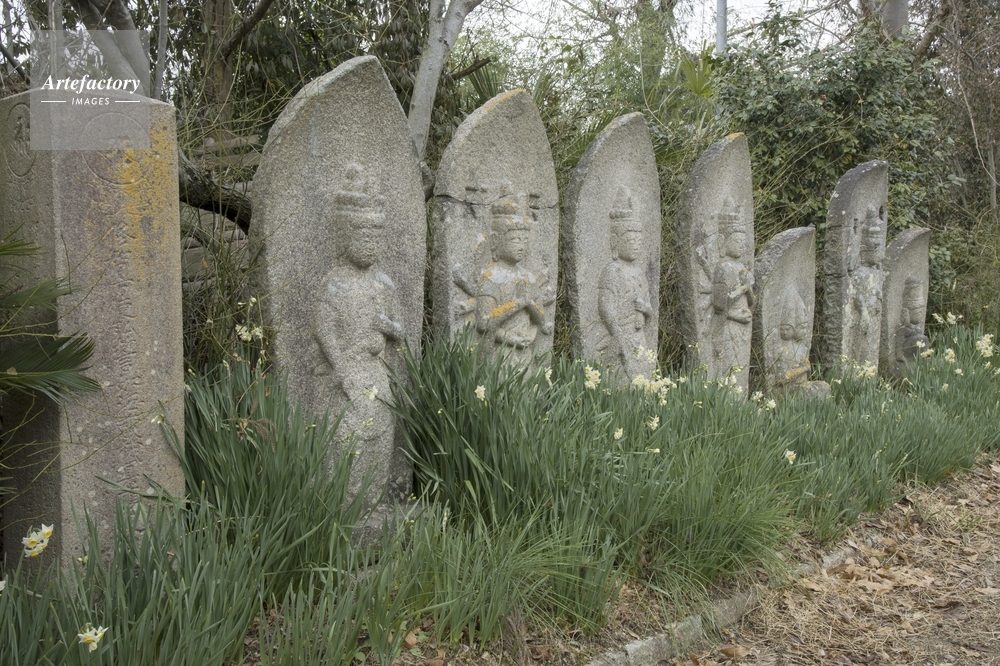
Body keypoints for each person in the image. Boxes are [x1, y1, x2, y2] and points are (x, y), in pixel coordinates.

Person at [315, 164, 403, 501]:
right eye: (363, 236)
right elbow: (323, 330)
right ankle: (346, 499)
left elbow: (400, 332)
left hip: (377, 374)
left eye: (376, 237)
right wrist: (342, 368)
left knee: (381, 433)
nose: (370, 244)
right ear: (345, 236)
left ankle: (375, 498)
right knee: (346, 436)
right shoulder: (335, 283)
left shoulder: (384, 284)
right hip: (348, 375)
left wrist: (387, 327)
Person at [473, 197, 554, 365]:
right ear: (496, 241)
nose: (521, 246)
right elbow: (483, 322)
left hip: (526, 352)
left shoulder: (527, 277)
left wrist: (529, 307)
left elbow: (541, 319)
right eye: (515, 240)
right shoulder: (490, 277)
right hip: (501, 354)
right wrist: (518, 304)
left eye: (524, 240)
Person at [597, 187, 655, 380]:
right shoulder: (612, 271)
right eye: (630, 240)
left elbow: (649, 308)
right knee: (618, 381)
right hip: (620, 335)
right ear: (615, 241)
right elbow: (605, 307)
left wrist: (644, 308)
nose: (636, 245)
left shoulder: (639, 273)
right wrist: (618, 335)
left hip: (639, 337)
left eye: (639, 240)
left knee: (641, 381)